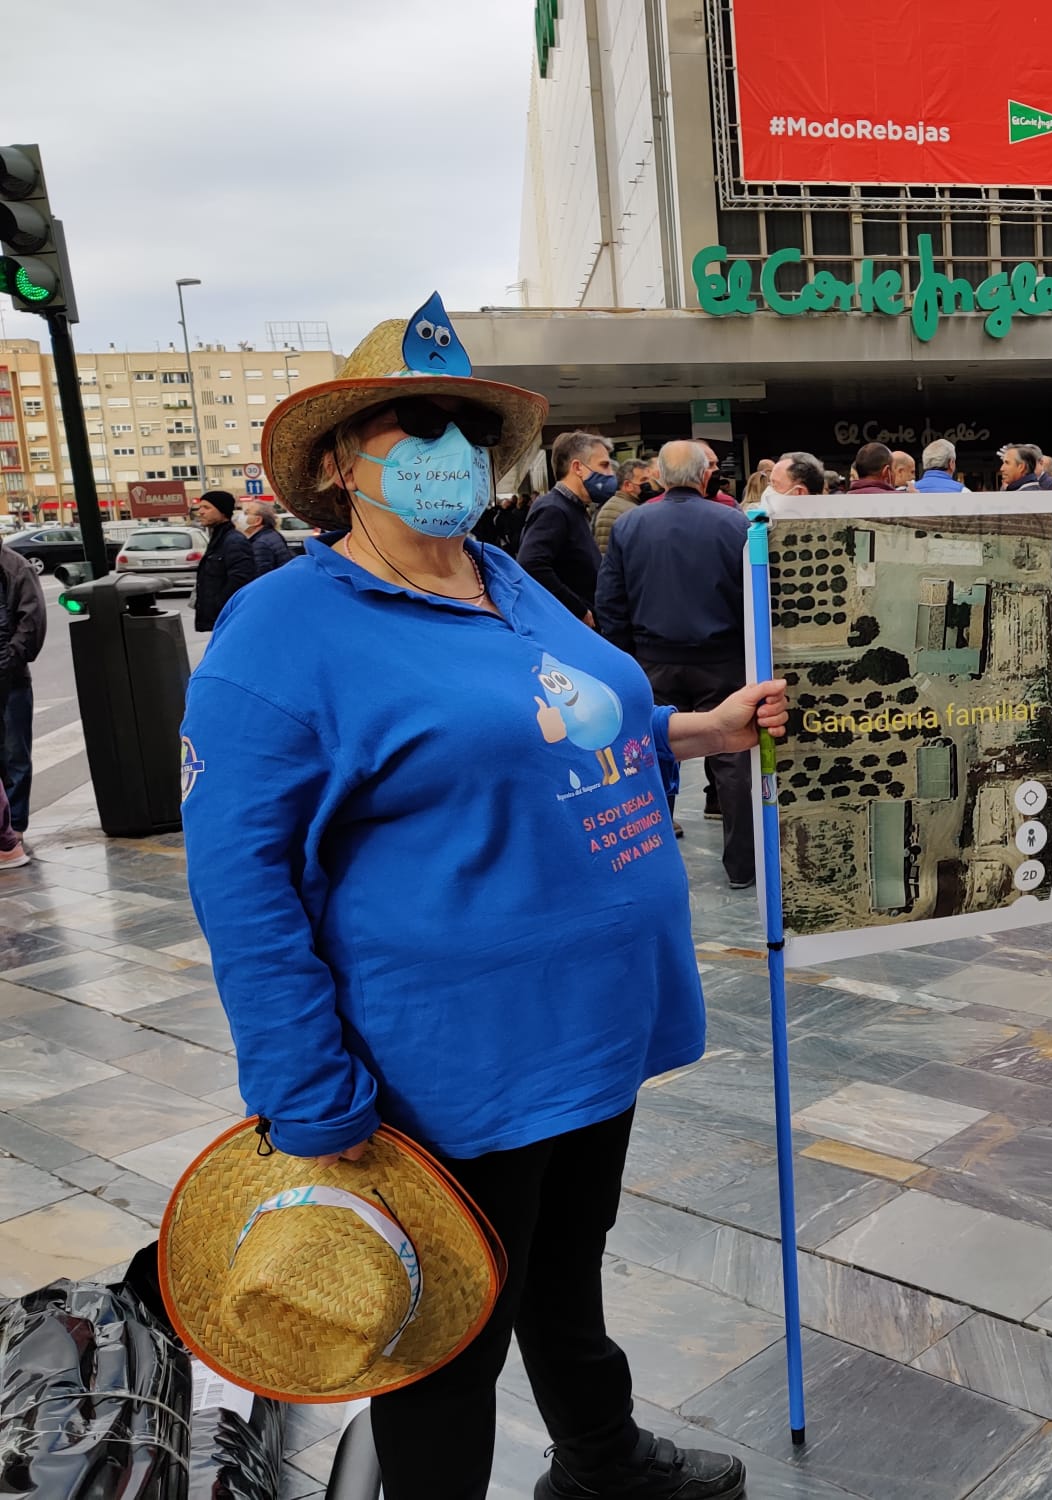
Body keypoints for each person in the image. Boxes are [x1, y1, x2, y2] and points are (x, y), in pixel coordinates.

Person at [179, 298, 779, 1499]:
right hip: (453, 1059)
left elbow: (559, 719)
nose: (448, 448)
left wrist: (694, 729)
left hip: (595, 1024)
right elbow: (241, 878)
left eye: (463, 424)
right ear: (337, 463)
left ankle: (600, 1459)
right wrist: (304, 1086)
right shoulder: (281, 629)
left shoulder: (503, 577)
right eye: (414, 425)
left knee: (567, 1261)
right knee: (445, 1338)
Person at [596, 441, 757, 891]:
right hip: (723, 659)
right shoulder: (735, 524)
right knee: (732, 759)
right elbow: (752, 595)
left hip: (652, 660)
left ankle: (650, 857)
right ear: (705, 475)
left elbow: (610, 599)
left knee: (648, 754)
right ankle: (743, 865)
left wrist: (624, 657)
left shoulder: (630, 525)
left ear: (659, 477)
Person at [520, 431, 613, 623]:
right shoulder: (553, 509)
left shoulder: (572, 508)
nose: (610, 474)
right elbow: (531, 564)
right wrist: (578, 610)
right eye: (604, 465)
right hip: (571, 625)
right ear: (578, 467)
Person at [0, 534, 44, 839]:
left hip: (11, 678)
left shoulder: (15, 567)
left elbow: (32, 621)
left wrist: (8, 660)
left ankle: (14, 828)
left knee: (14, 755)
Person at [192, 490, 257, 633]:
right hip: (220, 619)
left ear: (223, 512)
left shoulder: (233, 541)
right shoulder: (218, 539)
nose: (200, 512)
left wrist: (220, 607)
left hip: (228, 619)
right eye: (200, 507)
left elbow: (241, 580)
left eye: (207, 507)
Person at [592, 459, 647, 552]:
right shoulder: (617, 510)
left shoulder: (628, 506)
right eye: (643, 480)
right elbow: (606, 551)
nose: (649, 484)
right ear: (628, 485)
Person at [240, 500, 292, 577]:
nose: (241, 517)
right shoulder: (271, 534)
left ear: (258, 520)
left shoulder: (260, 544)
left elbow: (261, 576)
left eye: (246, 513)